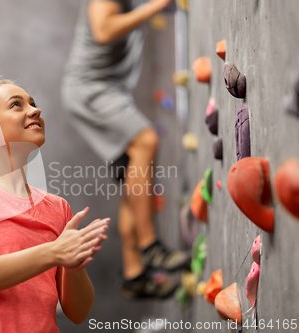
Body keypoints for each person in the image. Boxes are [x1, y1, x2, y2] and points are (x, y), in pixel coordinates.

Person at [0, 80, 109, 333]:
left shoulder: (58, 208)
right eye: (16, 105)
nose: (34, 110)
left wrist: (74, 266)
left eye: (33, 104)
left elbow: (78, 313)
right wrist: (53, 252)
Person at [61, 0, 190, 299]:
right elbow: (104, 30)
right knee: (146, 140)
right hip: (91, 89)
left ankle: (135, 274)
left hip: (110, 90)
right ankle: (150, 246)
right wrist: (157, 6)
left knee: (132, 177)